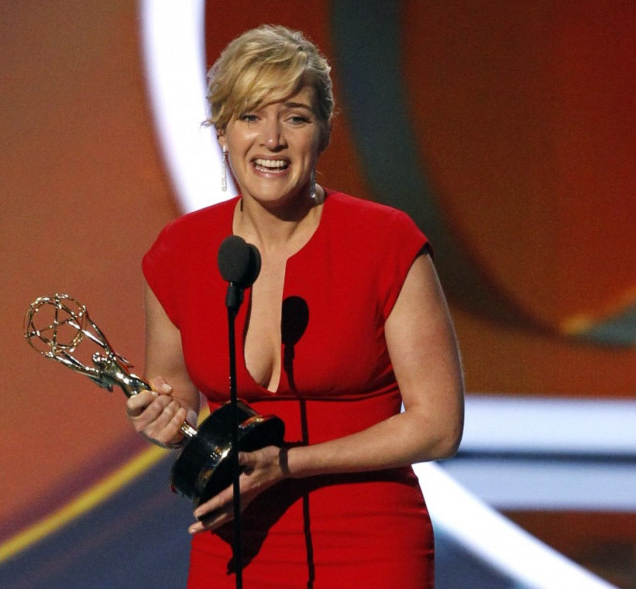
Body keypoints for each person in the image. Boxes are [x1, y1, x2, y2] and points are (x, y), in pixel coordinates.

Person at [126, 24, 464, 588]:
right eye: (251, 117)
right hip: (235, 545)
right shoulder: (179, 252)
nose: (272, 140)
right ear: (223, 132)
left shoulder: (384, 242)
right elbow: (177, 399)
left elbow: (438, 426)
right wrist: (162, 420)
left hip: (370, 543)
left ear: (325, 132)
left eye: (296, 117)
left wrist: (285, 465)